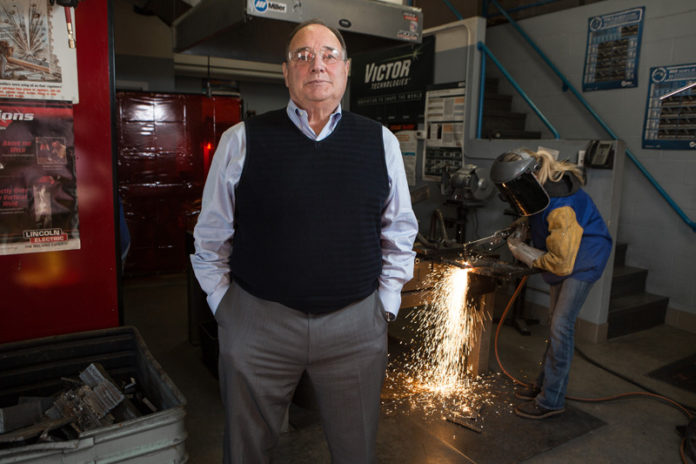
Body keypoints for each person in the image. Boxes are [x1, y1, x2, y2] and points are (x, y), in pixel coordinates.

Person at [190, 19, 418, 463]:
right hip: (259, 322)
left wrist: (384, 304)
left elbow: (399, 230)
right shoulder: (240, 141)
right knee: (246, 449)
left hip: (355, 325)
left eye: (329, 54)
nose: (317, 64)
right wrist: (228, 309)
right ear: (286, 71)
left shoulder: (380, 142)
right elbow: (212, 234)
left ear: (347, 69)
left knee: (356, 449)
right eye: (303, 55)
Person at [490, 148, 612, 420]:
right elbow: (535, 211)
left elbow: (560, 262)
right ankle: (545, 385)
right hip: (568, 254)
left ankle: (552, 400)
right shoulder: (540, 188)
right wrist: (522, 225)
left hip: (584, 258)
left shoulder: (562, 206)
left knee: (561, 326)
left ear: (526, 179)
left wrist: (523, 252)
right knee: (555, 323)